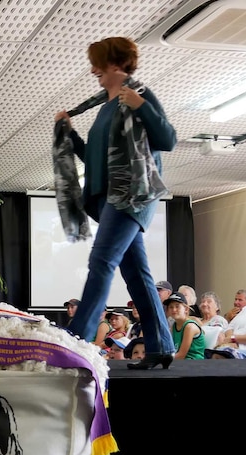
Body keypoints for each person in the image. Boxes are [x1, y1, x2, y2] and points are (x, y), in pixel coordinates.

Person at [54, 37, 176, 370]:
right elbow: (94, 160)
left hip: (132, 195)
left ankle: (76, 341)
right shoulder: (105, 106)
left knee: (102, 261)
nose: (93, 69)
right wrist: (71, 134)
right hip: (110, 199)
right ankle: (161, 346)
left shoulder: (139, 95)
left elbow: (168, 139)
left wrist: (141, 105)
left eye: (98, 63)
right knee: (137, 276)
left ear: (115, 64)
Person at [164, 291, 205, 360]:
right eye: (171, 307)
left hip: (194, 362)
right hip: (180, 362)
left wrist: (162, 359)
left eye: (177, 306)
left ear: (186, 309)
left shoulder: (190, 326)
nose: (174, 309)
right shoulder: (174, 326)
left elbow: (181, 355)